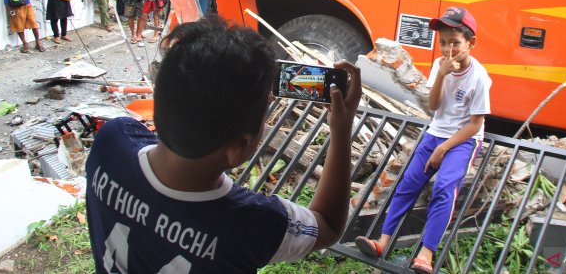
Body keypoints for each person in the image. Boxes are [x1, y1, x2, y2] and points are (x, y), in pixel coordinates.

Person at [85, 15, 362, 272]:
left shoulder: (112, 140)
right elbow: (327, 224)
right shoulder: (255, 224)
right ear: (238, 148)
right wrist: (341, 128)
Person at [354, 6, 490, 274]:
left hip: (463, 141)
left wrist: (444, 148)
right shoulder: (441, 66)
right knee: (408, 185)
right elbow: (435, 105)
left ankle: (425, 256)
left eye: (455, 43)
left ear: (471, 43)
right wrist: (441, 74)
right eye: (443, 43)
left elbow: (475, 125)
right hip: (435, 132)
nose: (448, 50)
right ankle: (382, 242)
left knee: (443, 189)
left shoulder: (479, 78)